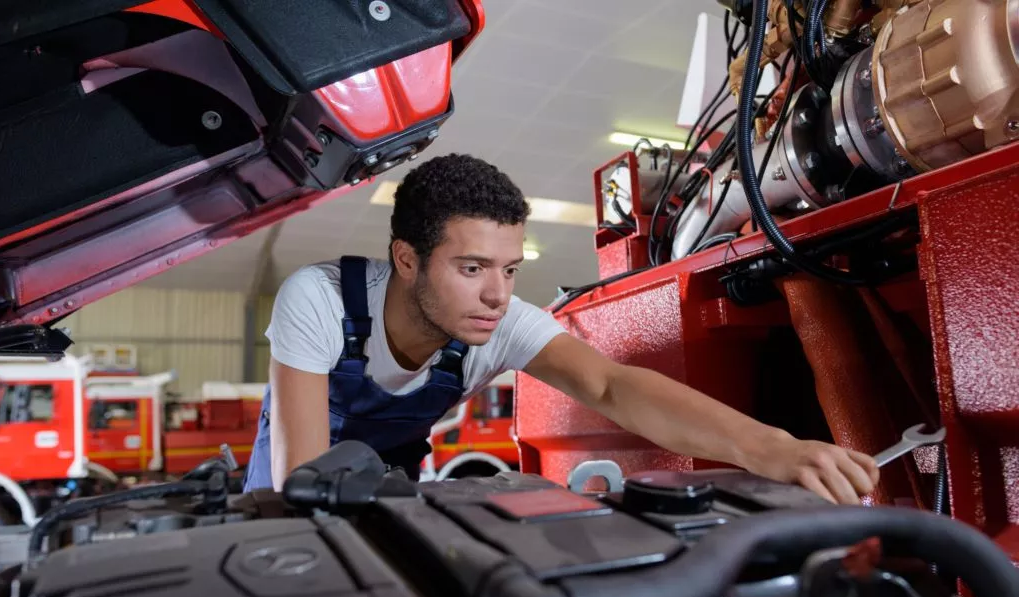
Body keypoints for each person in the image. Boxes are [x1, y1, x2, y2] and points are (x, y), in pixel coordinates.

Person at [243, 153, 879, 504]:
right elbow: (301, 477)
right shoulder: (319, 300)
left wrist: (772, 448)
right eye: (471, 268)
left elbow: (610, 386)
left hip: (394, 486)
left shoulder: (495, 321)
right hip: (288, 492)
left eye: (510, 269)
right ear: (407, 259)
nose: (497, 294)